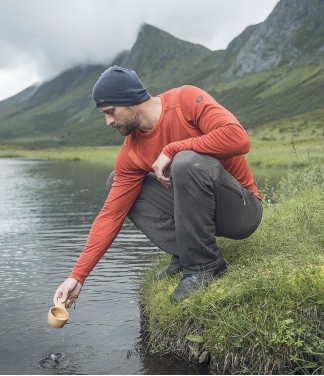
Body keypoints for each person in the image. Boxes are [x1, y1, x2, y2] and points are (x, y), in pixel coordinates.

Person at [53, 65, 263, 305]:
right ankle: (186, 252)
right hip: (202, 214)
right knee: (116, 183)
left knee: (185, 161)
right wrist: (77, 275)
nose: (108, 121)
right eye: (104, 113)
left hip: (241, 210)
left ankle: (204, 265)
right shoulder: (131, 152)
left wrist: (173, 148)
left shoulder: (185, 100)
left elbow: (238, 138)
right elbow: (111, 215)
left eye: (110, 111)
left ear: (131, 100)